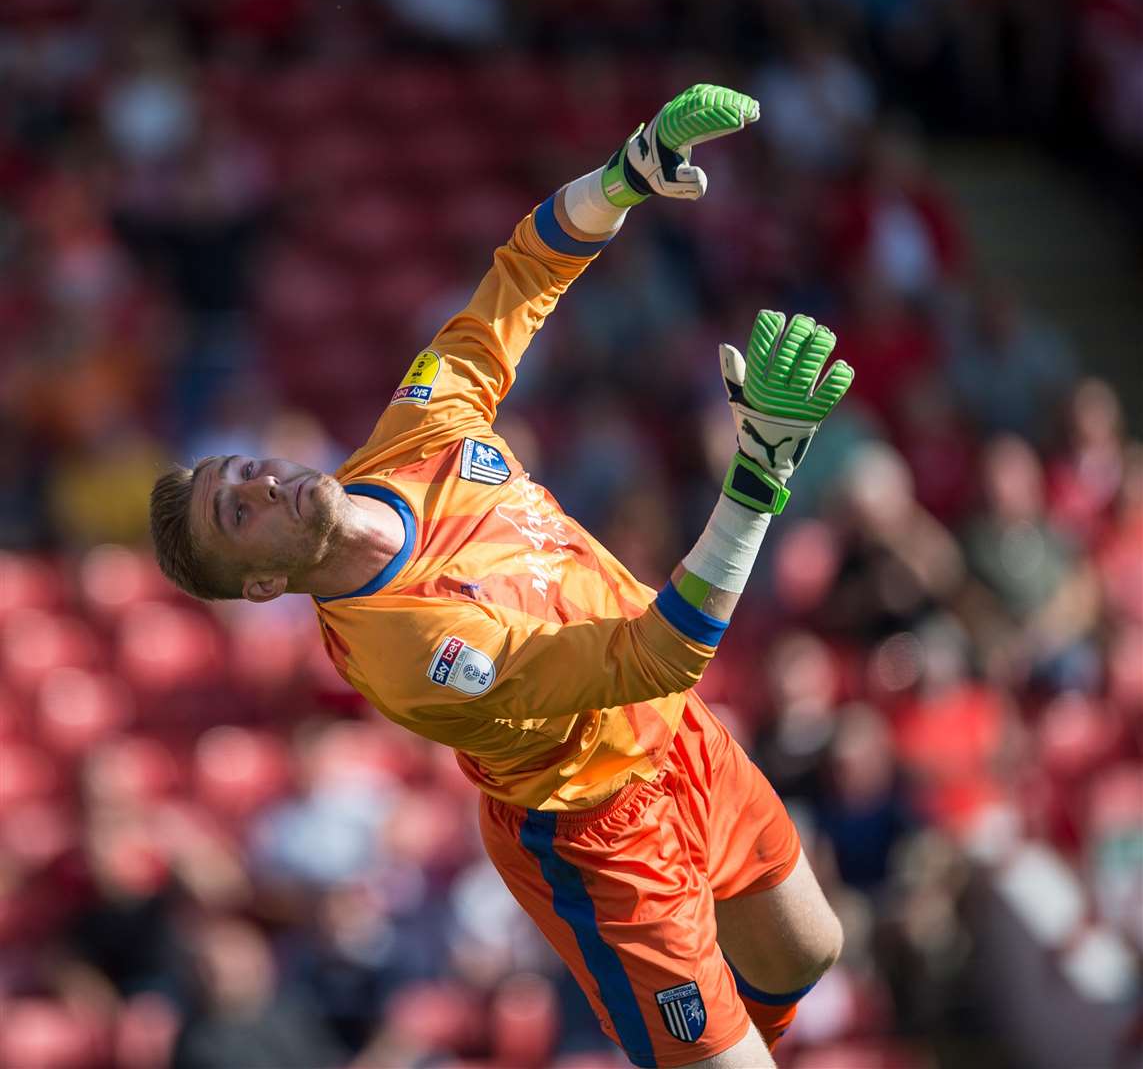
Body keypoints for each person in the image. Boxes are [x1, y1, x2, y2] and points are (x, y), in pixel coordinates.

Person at [150, 84, 853, 1069]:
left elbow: (521, 276)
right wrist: (755, 481)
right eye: (238, 511)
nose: (259, 481)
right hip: (599, 837)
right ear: (262, 585)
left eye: (242, 468)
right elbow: (657, 657)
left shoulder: (414, 433)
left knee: (812, 950)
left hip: (684, 748)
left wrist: (626, 174)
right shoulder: (407, 651)